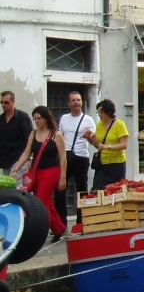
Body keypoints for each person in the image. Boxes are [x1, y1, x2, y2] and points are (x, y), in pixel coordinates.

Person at [10, 106, 67, 242]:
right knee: (46, 203)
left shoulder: (56, 134)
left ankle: (38, 234)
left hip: (51, 172)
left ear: (46, 118)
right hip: (36, 173)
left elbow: (63, 157)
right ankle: (59, 229)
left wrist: (63, 178)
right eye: (35, 119)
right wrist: (16, 169)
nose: (37, 121)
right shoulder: (33, 133)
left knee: (41, 203)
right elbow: (27, 152)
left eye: (39, 118)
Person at [57, 91, 95, 224]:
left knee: (82, 191)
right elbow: (60, 137)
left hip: (81, 157)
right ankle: (61, 223)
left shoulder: (88, 120)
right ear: (69, 103)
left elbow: (94, 141)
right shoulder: (64, 119)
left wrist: (89, 137)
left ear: (82, 102)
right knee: (60, 189)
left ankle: (81, 223)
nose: (76, 102)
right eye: (73, 100)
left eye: (78, 100)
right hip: (66, 157)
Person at [83, 99, 130, 191]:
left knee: (115, 190)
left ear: (108, 111)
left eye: (101, 112)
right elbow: (98, 145)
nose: (99, 114)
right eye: (98, 112)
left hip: (117, 164)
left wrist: (108, 147)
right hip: (102, 164)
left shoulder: (119, 124)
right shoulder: (100, 125)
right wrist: (89, 138)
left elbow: (124, 145)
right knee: (97, 189)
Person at [0, 91, 33, 185]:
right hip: (6, 160)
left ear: (13, 101)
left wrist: (31, 158)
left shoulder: (22, 117)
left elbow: (30, 138)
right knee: (6, 185)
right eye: (1, 102)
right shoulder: (1, 119)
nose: (3, 105)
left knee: (14, 184)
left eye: (6, 102)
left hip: (19, 158)